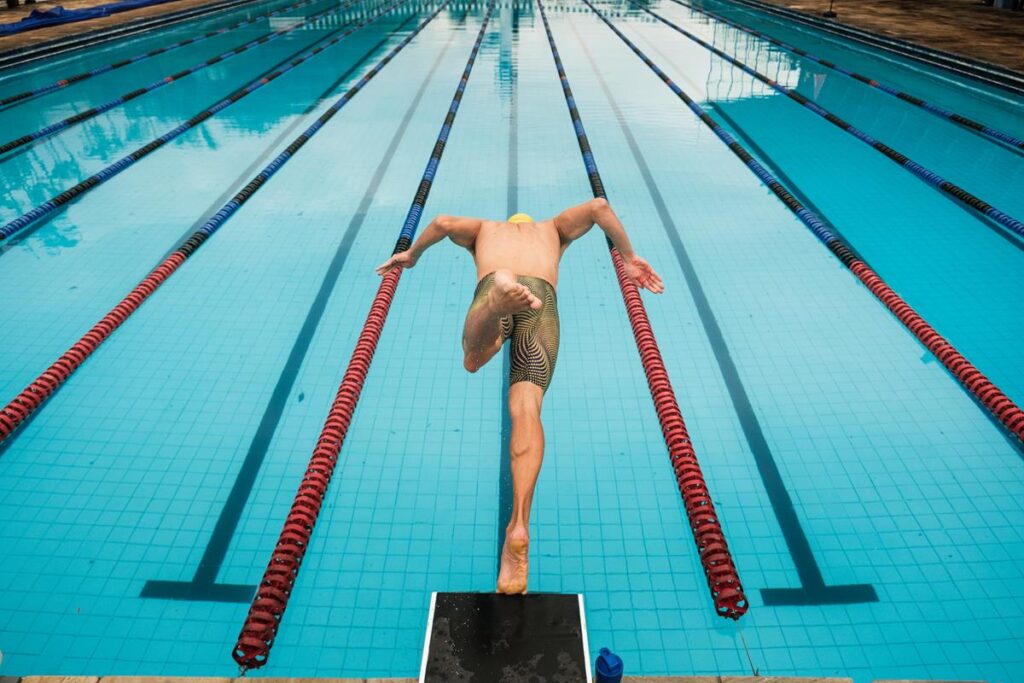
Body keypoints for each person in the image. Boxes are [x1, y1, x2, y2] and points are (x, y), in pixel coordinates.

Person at [376, 198, 663, 593]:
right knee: (526, 408)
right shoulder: (553, 230)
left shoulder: (482, 228)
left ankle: (495, 306)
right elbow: (599, 206)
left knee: (473, 359)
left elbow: (442, 221)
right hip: (540, 301)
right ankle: (520, 524)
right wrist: (629, 257)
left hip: (498, 280)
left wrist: (412, 253)